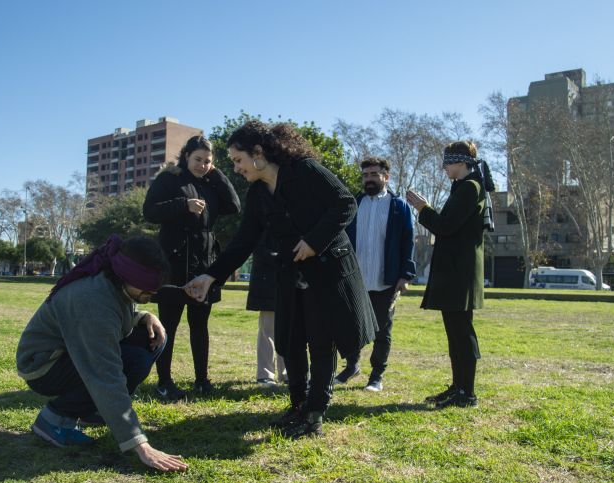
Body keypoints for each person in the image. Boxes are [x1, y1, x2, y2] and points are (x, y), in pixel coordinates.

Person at [185, 120, 376, 438]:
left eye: (238, 159)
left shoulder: (304, 169)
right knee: (291, 340)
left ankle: (315, 413)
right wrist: (210, 276)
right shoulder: (258, 193)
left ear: (257, 153)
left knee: (320, 341)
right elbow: (243, 241)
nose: (236, 167)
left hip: (327, 270)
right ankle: (298, 405)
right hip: (290, 272)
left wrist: (314, 241)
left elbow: (345, 203)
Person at [16, 235, 188, 472]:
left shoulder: (113, 281)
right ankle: (55, 419)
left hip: (70, 351)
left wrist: (142, 316)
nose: (152, 294)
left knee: (151, 338)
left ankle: (90, 410)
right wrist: (140, 444)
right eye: (147, 289)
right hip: (43, 366)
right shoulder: (92, 300)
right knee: (133, 361)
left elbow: (117, 316)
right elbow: (105, 375)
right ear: (128, 275)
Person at [143, 135, 241, 400]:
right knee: (169, 325)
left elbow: (234, 206)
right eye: (198, 159)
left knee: (200, 324)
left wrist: (217, 174)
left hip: (204, 262)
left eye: (208, 161)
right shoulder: (170, 178)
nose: (202, 165)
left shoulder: (211, 182)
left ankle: (202, 380)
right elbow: (149, 212)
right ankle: (164, 382)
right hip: (173, 262)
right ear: (186, 156)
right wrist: (182, 205)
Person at [405, 141, 486, 408]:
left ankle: (468, 393)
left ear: (461, 162)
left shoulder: (470, 188)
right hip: (456, 271)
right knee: (455, 333)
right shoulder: (464, 187)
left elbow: (445, 226)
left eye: (448, 162)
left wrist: (423, 208)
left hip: (460, 272)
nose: (444, 167)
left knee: (462, 333)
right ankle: (458, 387)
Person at [335, 157, 416, 392]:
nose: (368, 179)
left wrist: (405, 275)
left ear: (386, 177)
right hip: (354, 279)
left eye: (374, 174)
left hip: (386, 280)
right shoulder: (353, 203)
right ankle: (351, 366)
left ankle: (376, 376)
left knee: (382, 330)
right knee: (350, 327)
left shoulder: (398, 207)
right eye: (365, 175)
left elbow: (407, 242)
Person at [247, 232, 287, 387]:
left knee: (288, 329)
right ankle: (265, 374)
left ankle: (287, 372)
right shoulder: (263, 213)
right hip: (267, 277)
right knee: (267, 329)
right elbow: (257, 246)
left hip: (289, 275)